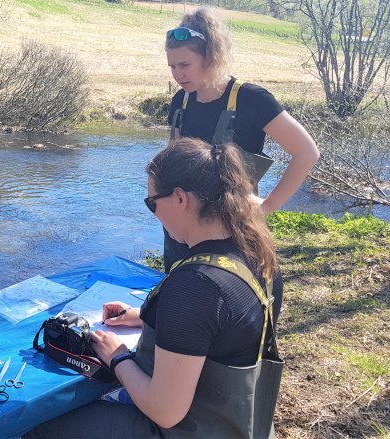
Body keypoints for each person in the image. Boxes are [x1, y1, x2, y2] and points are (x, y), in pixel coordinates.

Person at [24, 138, 284, 438]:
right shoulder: (256, 255)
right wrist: (145, 315)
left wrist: (117, 356)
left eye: (152, 203)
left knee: (40, 428)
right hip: (242, 423)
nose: (154, 213)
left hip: (181, 429)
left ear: (180, 198)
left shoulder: (196, 285)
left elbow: (165, 411)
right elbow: (226, 332)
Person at [162, 8, 319, 271]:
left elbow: (307, 152)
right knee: (178, 302)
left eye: (185, 65)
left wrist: (268, 206)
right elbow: (173, 162)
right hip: (183, 232)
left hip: (232, 232)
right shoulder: (181, 100)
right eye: (173, 66)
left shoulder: (252, 100)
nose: (178, 74)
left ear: (211, 57)